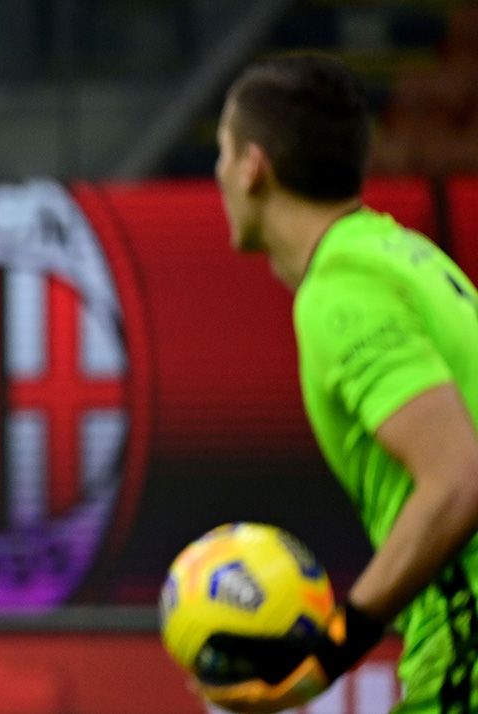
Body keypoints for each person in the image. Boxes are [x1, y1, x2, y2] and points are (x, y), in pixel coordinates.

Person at [200, 52, 478, 713]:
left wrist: (332, 650)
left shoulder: (340, 292)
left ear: (253, 165)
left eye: (222, 151)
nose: (217, 173)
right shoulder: (404, 255)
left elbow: (458, 478)